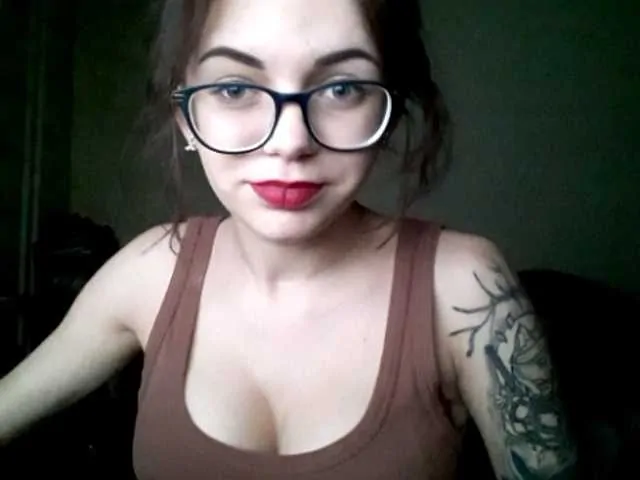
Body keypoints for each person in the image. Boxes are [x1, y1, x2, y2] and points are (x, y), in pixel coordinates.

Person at [0, 0, 578, 478]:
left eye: (342, 88)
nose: (291, 141)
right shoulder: (149, 270)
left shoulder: (466, 289)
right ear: (186, 115)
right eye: (234, 88)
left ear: (391, 108)